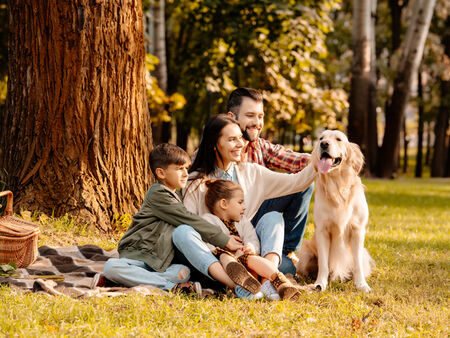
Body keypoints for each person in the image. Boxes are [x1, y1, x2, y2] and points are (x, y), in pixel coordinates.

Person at [181, 114, 316, 286]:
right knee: (288, 266)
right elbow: (192, 226)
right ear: (214, 144)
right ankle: (239, 280)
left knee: (273, 218)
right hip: (216, 254)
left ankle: (268, 280)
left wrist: (319, 161)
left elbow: (296, 183)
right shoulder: (194, 183)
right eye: (232, 139)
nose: (240, 144)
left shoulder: (252, 172)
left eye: (239, 138)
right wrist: (224, 243)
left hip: (248, 247)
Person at [103, 143, 243, 295]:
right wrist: (224, 239)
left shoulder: (176, 196)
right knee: (111, 267)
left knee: (182, 272)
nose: (185, 174)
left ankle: (158, 282)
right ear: (161, 173)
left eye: (186, 168)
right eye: (178, 169)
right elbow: (188, 219)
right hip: (139, 259)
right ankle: (171, 287)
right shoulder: (157, 194)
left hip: (162, 262)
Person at [226, 87, 314, 274]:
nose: (257, 123)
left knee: (304, 184)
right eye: (250, 115)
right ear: (232, 117)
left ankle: (285, 252)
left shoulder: (258, 145)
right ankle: (269, 266)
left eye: (260, 116)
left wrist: (324, 159)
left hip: (256, 215)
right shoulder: (214, 148)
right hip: (229, 226)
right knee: (286, 269)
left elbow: (292, 159)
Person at [202, 179, 301, 300]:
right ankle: (252, 288)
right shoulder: (208, 220)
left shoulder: (242, 222)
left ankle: (278, 281)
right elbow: (207, 243)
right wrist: (227, 247)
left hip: (243, 258)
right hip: (225, 263)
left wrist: (251, 246)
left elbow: (252, 237)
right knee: (231, 260)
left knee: (251, 258)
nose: (244, 207)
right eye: (240, 202)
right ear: (224, 204)